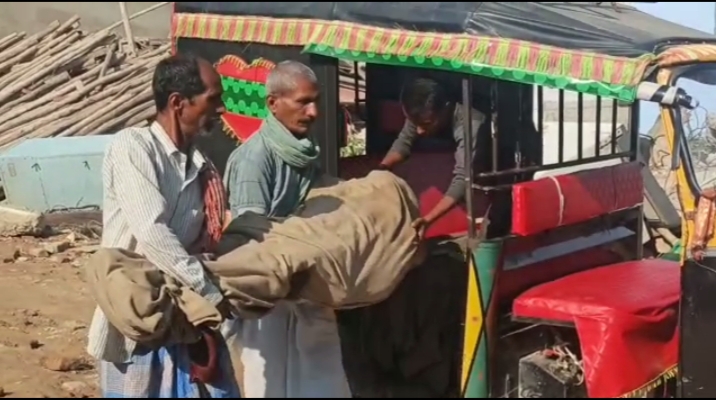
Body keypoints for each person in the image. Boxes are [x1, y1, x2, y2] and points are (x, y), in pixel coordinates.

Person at [86, 54, 240, 398]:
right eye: (213, 99)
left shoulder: (200, 164)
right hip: (140, 316)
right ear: (178, 102)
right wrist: (209, 292)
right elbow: (152, 233)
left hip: (187, 316)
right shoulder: (133, 147)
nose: (221, 108)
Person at [223, 60, 351, 398]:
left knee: (318, 376)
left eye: (316, 101)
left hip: (304, 284)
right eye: (303, 102)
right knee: (269, 380)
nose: (313, 112)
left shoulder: (303, 151)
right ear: (273, 103)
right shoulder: (254, 159)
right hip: (270, 294)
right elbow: (250, 237)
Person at [378, 76, 487, 236]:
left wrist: (428, 220)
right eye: (415, 124)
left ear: (446, 108)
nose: (419, 131)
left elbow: (463, 179)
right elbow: (404, 141)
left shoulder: (471, 124)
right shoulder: (422, 111)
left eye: (427, 124)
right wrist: (381, 170)